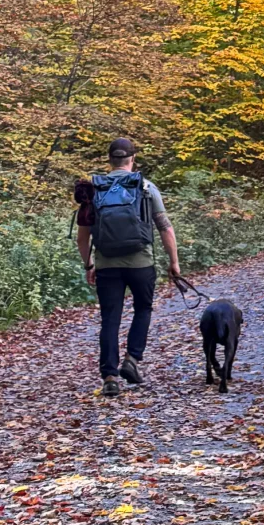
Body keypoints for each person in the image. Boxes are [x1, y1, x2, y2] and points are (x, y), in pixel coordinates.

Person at [74, 135, 182, 396]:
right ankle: (132, 360)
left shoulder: (95, 189)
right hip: (141, 262)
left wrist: (89, 265)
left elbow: (82, 236)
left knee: (110, 318)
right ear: (133, 159)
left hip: (106, 264)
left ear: (110, 160)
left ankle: (109, 376)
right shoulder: (145, 187)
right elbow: (165, 227)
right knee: (143, 309)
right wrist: (174, 262)